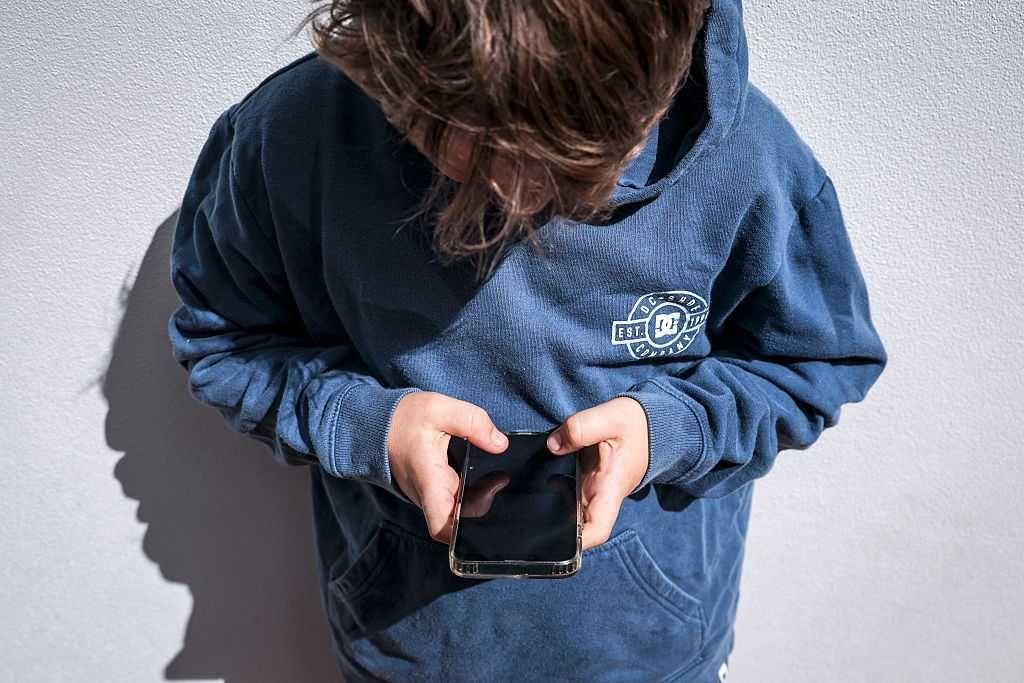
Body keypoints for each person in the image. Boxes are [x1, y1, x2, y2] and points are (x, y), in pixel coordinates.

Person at [166, 0, 888, 680]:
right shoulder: (290, 139)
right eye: (465, 149)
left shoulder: (750, 163)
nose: (511, 198)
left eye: (564, 173)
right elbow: (224, 342)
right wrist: (367, 426)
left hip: (651, 655)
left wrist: (666, 430)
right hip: (403, 652)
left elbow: (814, 362)